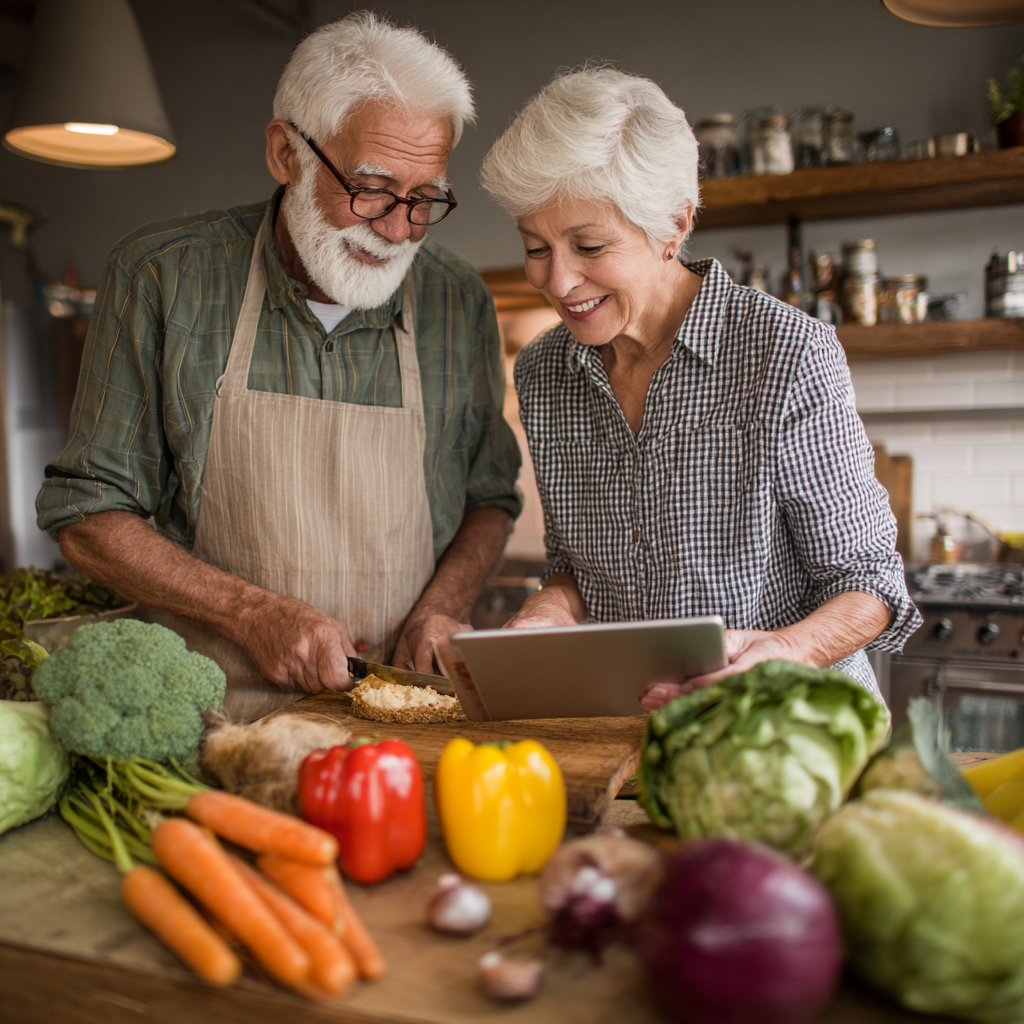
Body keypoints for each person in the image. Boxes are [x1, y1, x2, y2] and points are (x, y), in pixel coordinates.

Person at [36, 13, 521, 720]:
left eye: (424, 200)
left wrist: (443, 608)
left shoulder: (457, 298)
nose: (396, 229)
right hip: (209, 726)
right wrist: (248, 611)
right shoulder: (164, 276)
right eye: (372, 187)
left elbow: (489, 495)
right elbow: (86, 514)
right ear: (285, 153)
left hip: (403, 727)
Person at [479, 67, 920, 710]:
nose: (559, 281)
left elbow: (871, 584)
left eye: (590, 245)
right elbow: (579, 566)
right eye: (535, 247)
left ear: (674, 226)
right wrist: (551, 606)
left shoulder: (784, 353)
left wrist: (785, 651)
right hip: (635, 729)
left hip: (788, 729)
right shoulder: (546, 373)